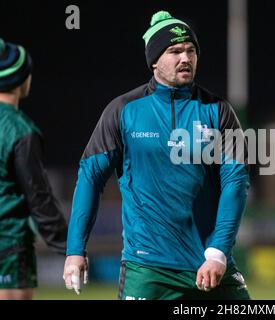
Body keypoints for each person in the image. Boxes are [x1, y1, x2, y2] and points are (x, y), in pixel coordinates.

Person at [63, 10, 250, 300]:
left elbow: (236, 182)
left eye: (191, 51)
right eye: (175, 51)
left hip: (210, 264)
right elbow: (90, 176)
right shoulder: (123, 111)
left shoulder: (219, 111)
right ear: (154, 61)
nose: (185, 58)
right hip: (147, 268)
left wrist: (218, 252)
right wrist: (75, 249)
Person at [0, 38, 68, 300]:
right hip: (8, 245)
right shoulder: (21, 130)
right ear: (20, 78)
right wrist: (69, 247)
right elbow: (39, 199)